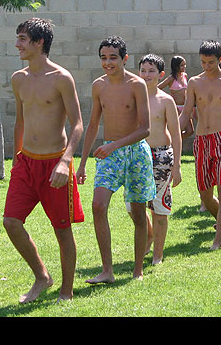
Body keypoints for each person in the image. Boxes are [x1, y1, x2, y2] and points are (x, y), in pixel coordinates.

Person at [3, 18, 85, 304]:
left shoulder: (62, 78)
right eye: (18, 38)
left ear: (39, 43)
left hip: (55, 164)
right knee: (11, 222)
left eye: (22, 39)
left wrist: (65, 161)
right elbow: (20, 121)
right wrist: (16, 158)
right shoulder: (18, 78)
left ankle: (66, 292)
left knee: (62, 229)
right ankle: (42, 276)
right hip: (26, 163)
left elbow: (77, 124)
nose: (17, 44)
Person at [76, 36, 155, 282]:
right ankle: (107, 271)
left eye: (113, 58)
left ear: (125, 59)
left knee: (139, 214)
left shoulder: (137, 85)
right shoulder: (98, 86)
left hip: (135, 152)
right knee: (98, 206)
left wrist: (116, 145)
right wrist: (82, 164)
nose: (107, 63)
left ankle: (138, 270)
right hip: (109, 153)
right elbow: (92, 125)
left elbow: (145, 129)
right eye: (103, 58)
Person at [179, 40, 221, 249]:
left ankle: (218, 240)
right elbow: (186, 112)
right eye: (203, 62)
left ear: (220, 59)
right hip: (201, 141)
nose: (206, 66)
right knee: (205, 195)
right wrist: (173, 134)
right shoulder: (194, 82)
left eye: (211, 62)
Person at [125, 54, 182, 265]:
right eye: (143, 70)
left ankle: (158, 254)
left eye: (151, 71)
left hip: (161, 157)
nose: (146, 75)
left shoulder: (166, 100)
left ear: (161, 74)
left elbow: (176, 134)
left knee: (159, 208)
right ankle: (148, 235)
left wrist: (177, 166)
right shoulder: (132, 98)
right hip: (137, 157)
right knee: (133, 207)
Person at [158, 55, 194, 138]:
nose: (184, 67)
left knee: (190, 131)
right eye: (182, 65)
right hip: (176, 108)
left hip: (185, 107)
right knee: (177, 131)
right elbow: (158, 88)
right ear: (176, 66)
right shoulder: (171, 78)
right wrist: (167, 99)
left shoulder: (184, 75)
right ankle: (172, 143)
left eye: (185, 65)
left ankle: (173, 141)